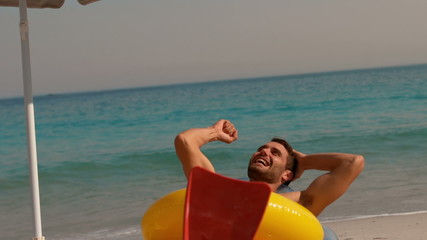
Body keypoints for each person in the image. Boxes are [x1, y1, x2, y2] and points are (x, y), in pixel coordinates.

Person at [175, 119, 364, 238]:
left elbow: (353, 163)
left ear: (287, 175)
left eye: (275, 153)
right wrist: (216, 133)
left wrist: (305, 162)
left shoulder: (299, 204)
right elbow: (185, 141)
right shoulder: (219, 193)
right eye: (261, 148)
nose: (264, 151)